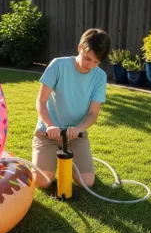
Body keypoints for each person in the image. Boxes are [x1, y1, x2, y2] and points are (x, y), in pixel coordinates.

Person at [32, 28, 111, 189]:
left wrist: (79, 128)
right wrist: (49, 125)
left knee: (86, 182)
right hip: (48, 133)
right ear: (79, 48)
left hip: (76, 135)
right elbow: (41, 101)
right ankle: (48, 160)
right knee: (42, 182)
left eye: (96, 62)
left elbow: (93, 114)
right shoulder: (58, 65)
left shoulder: (100, 76)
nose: (90, 65)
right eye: (87, 58)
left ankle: (75, 165)